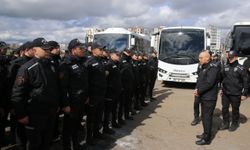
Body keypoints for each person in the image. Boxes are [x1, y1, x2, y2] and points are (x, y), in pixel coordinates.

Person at [11, 38, 60, 150]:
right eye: (44, 49)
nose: (47, 51)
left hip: (50, 111)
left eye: (48, 49)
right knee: (34, 143)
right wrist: (21, 114)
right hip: (35, 113)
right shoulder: (27, 68)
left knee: (46, 141)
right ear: (34, 50)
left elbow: (54, 88)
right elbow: (17, 93)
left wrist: (56, 104)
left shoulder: (51, 65)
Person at [59, 39, 88, 150]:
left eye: (83, 48)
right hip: (71, 102)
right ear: (72, 50)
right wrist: (65, 104)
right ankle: (66, 146)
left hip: (81, 100)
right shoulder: (66, 64)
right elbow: (63, 87)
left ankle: (76, 144)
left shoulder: (81, 62)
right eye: (80, 48)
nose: (83, 50)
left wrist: (86, 96)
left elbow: (83, 82)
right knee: (68, 127)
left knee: (76, 125)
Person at [7, 41, 34, 149]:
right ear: (26, 50)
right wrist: (11, 105)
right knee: (19, 128)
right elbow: (10, 86)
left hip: (30, 101)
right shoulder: (17, 64)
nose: (35, 51)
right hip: (19, 101)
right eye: (33, 49)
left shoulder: (35, 62)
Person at [194, 51, 220, 145]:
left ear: (207, 58)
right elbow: (200, 80)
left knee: (207, 118)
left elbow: (209, 83)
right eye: (199, 57)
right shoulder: (203, 67)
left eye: (201, 58)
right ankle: (205, 134)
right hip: (203, 96)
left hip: (209, 97)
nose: (199, 59)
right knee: (205, 117)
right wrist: (197, 89)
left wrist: (198, 91)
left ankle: (207, 139)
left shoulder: (213, 68)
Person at [220, 50, 248, 132]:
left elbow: (246, 81)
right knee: (224, 108)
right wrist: (222, 89)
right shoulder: (225, 67)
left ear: (236, 57)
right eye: (229, 57)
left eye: (231, 58)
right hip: (225, 93)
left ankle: (234, 124)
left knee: (235, 109)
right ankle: (226, 123)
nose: (230, 59)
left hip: (236, 93)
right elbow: (223, 79)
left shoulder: (241, 68)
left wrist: (244, 93)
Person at [85, 43, 107, 145]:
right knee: (91, 118)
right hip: (93, 95)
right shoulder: (89, 62)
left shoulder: (100, 61)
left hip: (101, 94)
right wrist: (88, 96)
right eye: (100, 49)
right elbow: (86, 81)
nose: (102, 50)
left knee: (99, 115)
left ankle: (97, 132)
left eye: (102, 49)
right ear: (93, 50)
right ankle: (89, 138)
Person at [103, 48, 122, 133]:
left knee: (115, 108)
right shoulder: (109, 65)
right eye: (117, 55)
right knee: (108, 111)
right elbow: (105, 79)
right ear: (111, 55)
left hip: (116, 91)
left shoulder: (116, 63)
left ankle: (114, 122)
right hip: (110, 92)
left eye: (119, 55)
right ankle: (105, 127)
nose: (119, 56)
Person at [0, 41, 12, 148]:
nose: (4, 50)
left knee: (3, 121)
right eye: (3, 48)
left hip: (4, 97)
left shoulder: (4, 62)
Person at [119, 48, 134, 123]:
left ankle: (127, 115)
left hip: (129, 84)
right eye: (128, 52)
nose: (129, 53)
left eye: (130, 52)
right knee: (122, 103)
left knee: (128, 101)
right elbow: (120, 74)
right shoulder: (121, 60)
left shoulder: (129, 60)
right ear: (124, 52)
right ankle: (120, 118)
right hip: (123, 85)